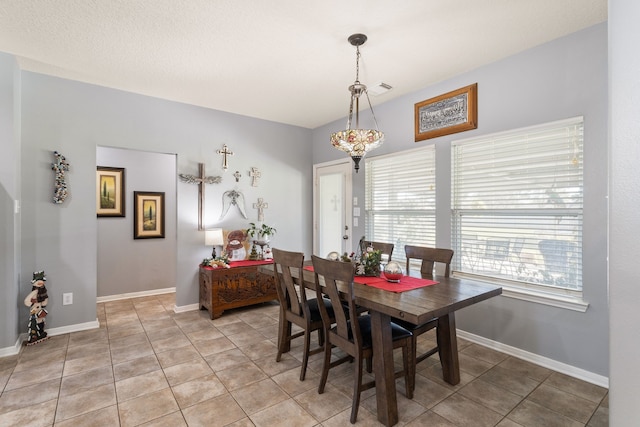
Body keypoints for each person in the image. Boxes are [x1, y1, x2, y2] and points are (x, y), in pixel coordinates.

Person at [24, 271, 49, 345]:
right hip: (34, 309)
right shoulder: (34, 292)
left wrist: (44, 303)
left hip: (40, 308)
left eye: (42, 281)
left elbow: (45, 299)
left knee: (41, 320)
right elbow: (26, 301)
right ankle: (34, 335)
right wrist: (32, 302)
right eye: (39, 281)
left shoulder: (43, 292)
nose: (41, 282)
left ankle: (41, 333)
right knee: (35, 321)